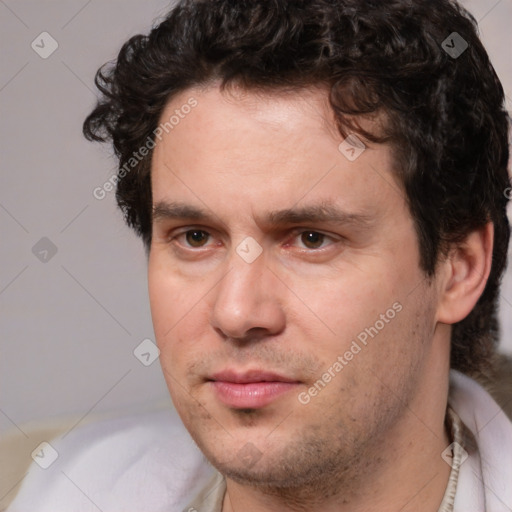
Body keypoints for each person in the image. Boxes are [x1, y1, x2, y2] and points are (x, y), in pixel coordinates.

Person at [8, 0, 512, 511]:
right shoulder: (64, 487)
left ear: (459, 269)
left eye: (311, 238)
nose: (236, 313)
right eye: (196, 237)